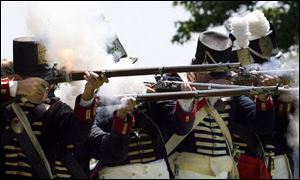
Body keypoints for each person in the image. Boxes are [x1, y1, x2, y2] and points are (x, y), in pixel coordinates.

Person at [167, 30, 276, 179]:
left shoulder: (228, 88)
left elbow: (263, 126)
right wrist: (201, 96)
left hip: (223, 172)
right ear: (199, 66)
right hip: (186, 170)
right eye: (212, 74)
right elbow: (179, 127)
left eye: (220, 75)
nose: (218, 79)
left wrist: (263, 98)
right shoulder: (175, 81)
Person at [0, 37, 108, 178]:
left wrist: (88, 94)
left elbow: (78, 133)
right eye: (35, 80)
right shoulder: (6, 101)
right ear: (17, 78)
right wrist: (17, 88)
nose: (43, 86)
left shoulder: (55, 110)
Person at [84, 75, 198, 179]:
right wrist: (121, 113)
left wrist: (185, 102)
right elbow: (102, 144)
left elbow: (181, 127)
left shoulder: (148, 95)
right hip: (119, 173)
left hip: (157, 173)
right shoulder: (99, 100)